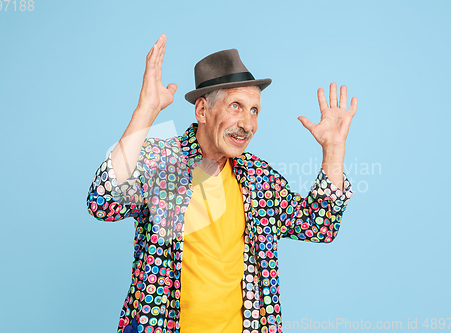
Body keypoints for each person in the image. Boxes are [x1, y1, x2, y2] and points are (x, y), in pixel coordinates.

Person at [86, 34, 357, 333]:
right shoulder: (161, 161)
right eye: (236, 106)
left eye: (254, 110)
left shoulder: (259, 179)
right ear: (202, 110)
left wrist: (333, 149)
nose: (248, 124)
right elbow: (103, 202)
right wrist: (147, 110)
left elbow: (320, 225)